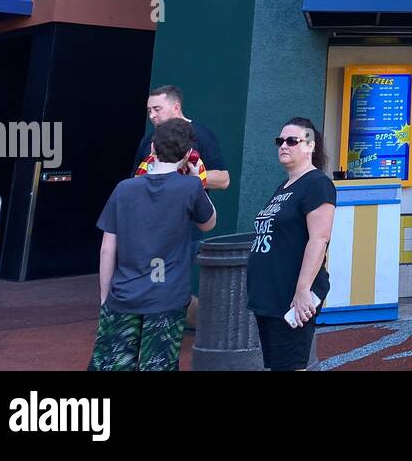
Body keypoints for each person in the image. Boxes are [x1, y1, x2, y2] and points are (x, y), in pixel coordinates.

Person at [89, 118, 216, 371]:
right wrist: (197, 180)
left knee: (113, 364)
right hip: (167, 295)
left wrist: (105, 297)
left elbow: (107, 248)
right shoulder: (190, 187)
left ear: (153, 149)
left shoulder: (124, 189)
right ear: (188, 153)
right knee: (159, 364)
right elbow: (209, 223)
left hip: (124, 294)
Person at [247, 117, 336, 371]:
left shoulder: (317, 184)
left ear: (310, 146)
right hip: (268, 297)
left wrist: (302, 290)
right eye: (280, 141)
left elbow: (319, 238)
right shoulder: (284, 186)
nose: (283, 145)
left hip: (291, 297)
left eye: (292, 141)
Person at [131, 85, 231, 191]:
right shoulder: (147, 140)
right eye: (149, 110)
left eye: (157, 109)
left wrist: (194, 174)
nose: (152, 115)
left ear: (176, 108)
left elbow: (224, 180)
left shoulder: (201, 135)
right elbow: (135, 179)